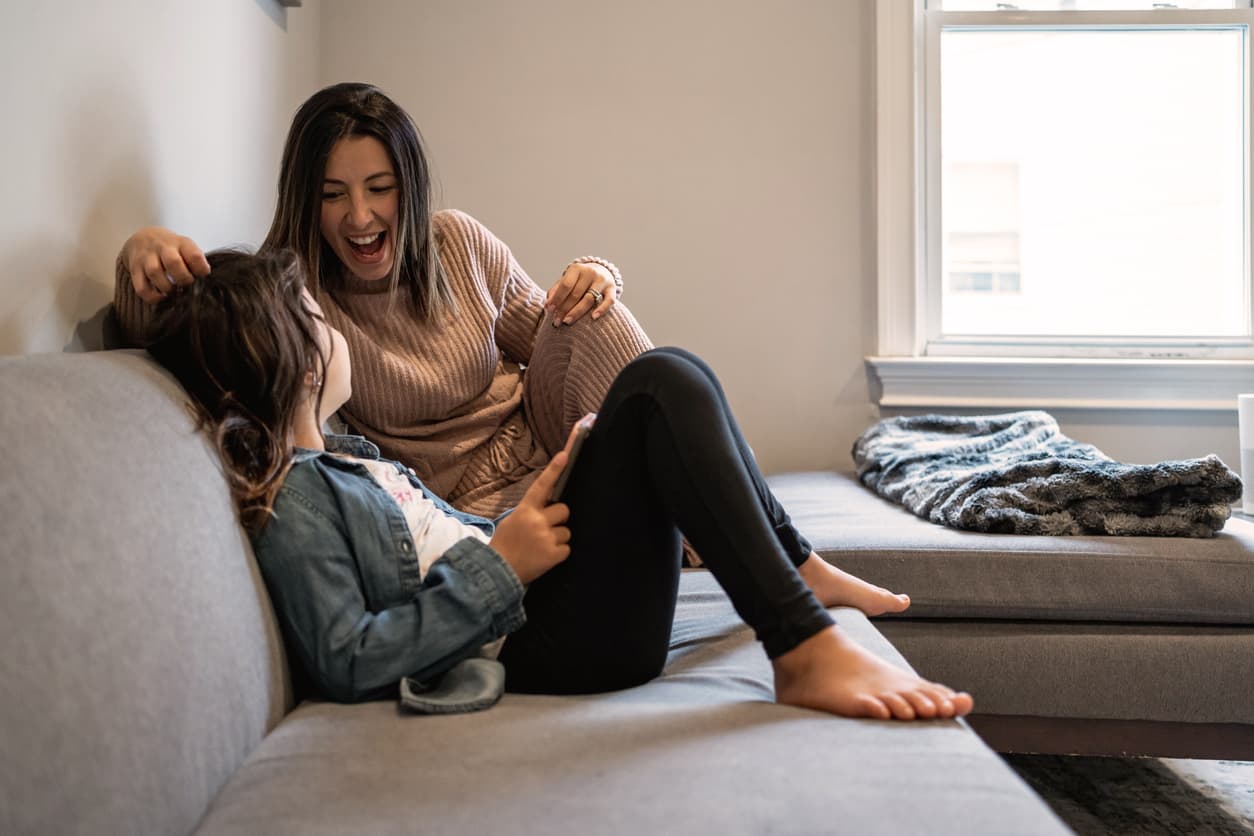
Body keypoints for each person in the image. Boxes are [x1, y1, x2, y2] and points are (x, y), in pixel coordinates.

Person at [145, 246, 975, 722]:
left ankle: (793, 572)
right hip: (547, 644)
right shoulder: (294, 504)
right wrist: (502, 565)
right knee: (655, 386)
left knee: (668, 372)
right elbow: (349, 658)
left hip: (537, 600)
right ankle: (799, 644)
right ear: (285, 357)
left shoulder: (349, 454)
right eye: (318, 321)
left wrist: (531, 505)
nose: (337, 329)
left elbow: (440, 539)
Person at [114, 82, 653, 519]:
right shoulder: (293, 289)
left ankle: (676, 509)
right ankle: (665, 510)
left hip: (550, 433)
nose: (360, 216)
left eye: (379, 187)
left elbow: (555, 328)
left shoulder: (457, 240)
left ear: (409, 186)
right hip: (477, 504)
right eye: (332, 194)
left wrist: (597, 276)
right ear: (306, 200)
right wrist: (141, 255)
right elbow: (184, 335)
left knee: (600, 320)